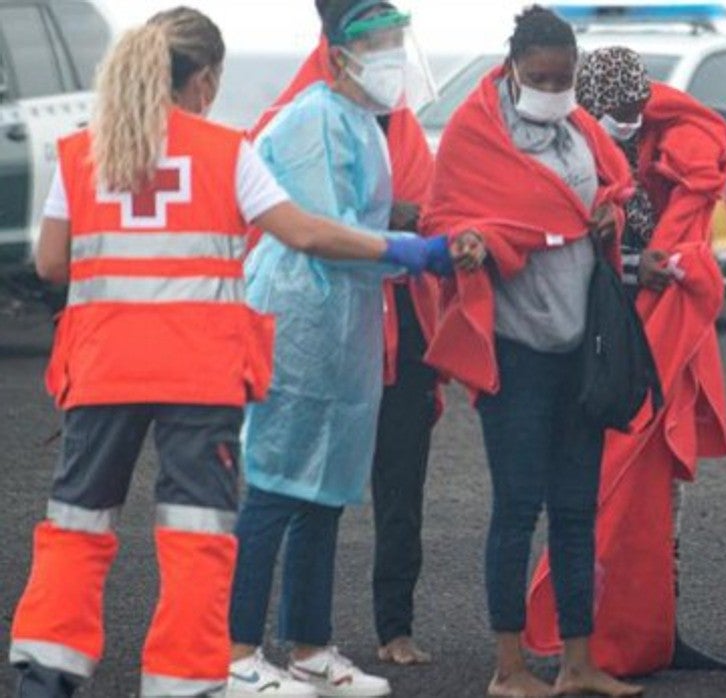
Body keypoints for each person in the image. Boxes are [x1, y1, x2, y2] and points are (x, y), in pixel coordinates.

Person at [8, 7, 447, 698]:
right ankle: (185, 679)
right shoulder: (224, 150)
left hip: (100, 370)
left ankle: (47, 673)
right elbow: (302, 231)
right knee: (194, 537)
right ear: (206, 79)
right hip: (196, 374)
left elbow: (51, 263)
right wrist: (406, 249)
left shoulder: (80, 151)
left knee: (77, 526)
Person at [225, 2, 483, 696]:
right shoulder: (310, 120)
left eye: (401, 44)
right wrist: (410, 250)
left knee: (325, 490)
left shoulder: (367, 126)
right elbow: (317, 233)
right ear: (339, 55)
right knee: (278, 485)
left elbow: (371, 224)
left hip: (347, 327)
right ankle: (238, 650)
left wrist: (424, 245)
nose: (394, 60)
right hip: (300, 320)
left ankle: (309, 647)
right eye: (382, 47)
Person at [421, 6, 641, 697]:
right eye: (540, 76)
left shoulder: (579, 130)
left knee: (577, 509)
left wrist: (609, 210)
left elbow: (613, 187)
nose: (553, 86)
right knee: (517, 507)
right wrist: (475, 241)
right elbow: (445, 217)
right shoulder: (472, 132)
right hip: (517, 350)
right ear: (512, 68)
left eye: (563, 76)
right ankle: (509, 667)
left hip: (581, 344)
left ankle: (577, 664)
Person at [522, 46, 726, 677]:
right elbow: (555, 249)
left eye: (636, 106)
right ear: (591, 105)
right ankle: (581, 635)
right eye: (616, 109)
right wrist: (631, 264)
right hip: (598, 342)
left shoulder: (654, 149)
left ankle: (656, 630)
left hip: (654, 340)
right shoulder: (568, 159)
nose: (629, 118)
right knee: (600, 487)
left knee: (659, 493)